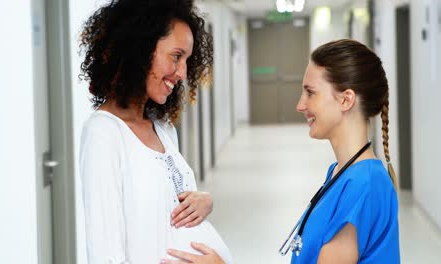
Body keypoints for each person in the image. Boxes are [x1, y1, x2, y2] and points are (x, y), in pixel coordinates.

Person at [161, 39, 400, 263]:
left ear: (346, 100)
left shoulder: (363, 184)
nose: (300, 105)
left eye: (310, 92)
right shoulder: (340, 172)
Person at [78, 0, 232, 263]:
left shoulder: (162, 127)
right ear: (140, 50)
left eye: (187, 60)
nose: (183, 73)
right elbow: (106, 254)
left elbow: (166, 209)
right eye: (176, 56)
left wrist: (203, 201)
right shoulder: (104, 133)